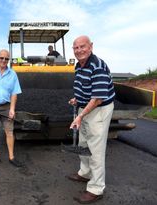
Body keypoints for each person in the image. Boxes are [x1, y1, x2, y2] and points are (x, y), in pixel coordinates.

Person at [67, 36, 115, 204]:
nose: (79, 50)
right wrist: (77, 99)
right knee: (83, 143)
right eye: (76, 47)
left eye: (83, 46)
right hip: (86, 107)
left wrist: (80, 115)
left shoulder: (98, 66)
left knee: (95, 149)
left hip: (99, 110)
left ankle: (96, 188)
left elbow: (98, 98)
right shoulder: (79, 65)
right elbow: (84, 87)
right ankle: (85, 173)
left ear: (91, 46)